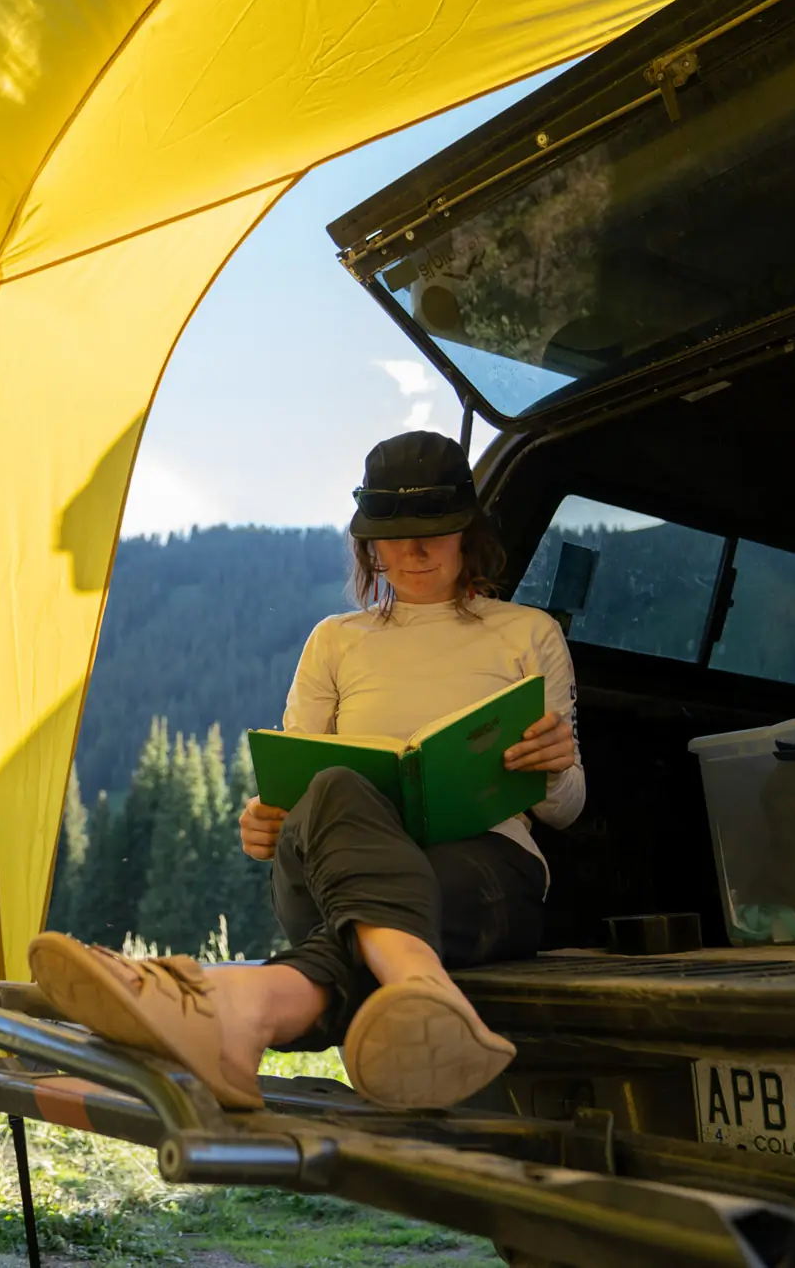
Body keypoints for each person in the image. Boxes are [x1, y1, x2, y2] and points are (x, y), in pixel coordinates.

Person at [29, 431, 583, 1111]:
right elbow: (295, 788)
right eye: (392, 536)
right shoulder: (335, 641)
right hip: (328, 877)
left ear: (467, 531)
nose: (413, 553)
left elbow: (565, 810)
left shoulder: (528, 633)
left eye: (433, 533)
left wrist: (555, 767)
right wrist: (266, 819)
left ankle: (240, 1011)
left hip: (485, 875)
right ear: (368, 544)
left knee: (388, 908)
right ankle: (419, 985)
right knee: (332, 786)